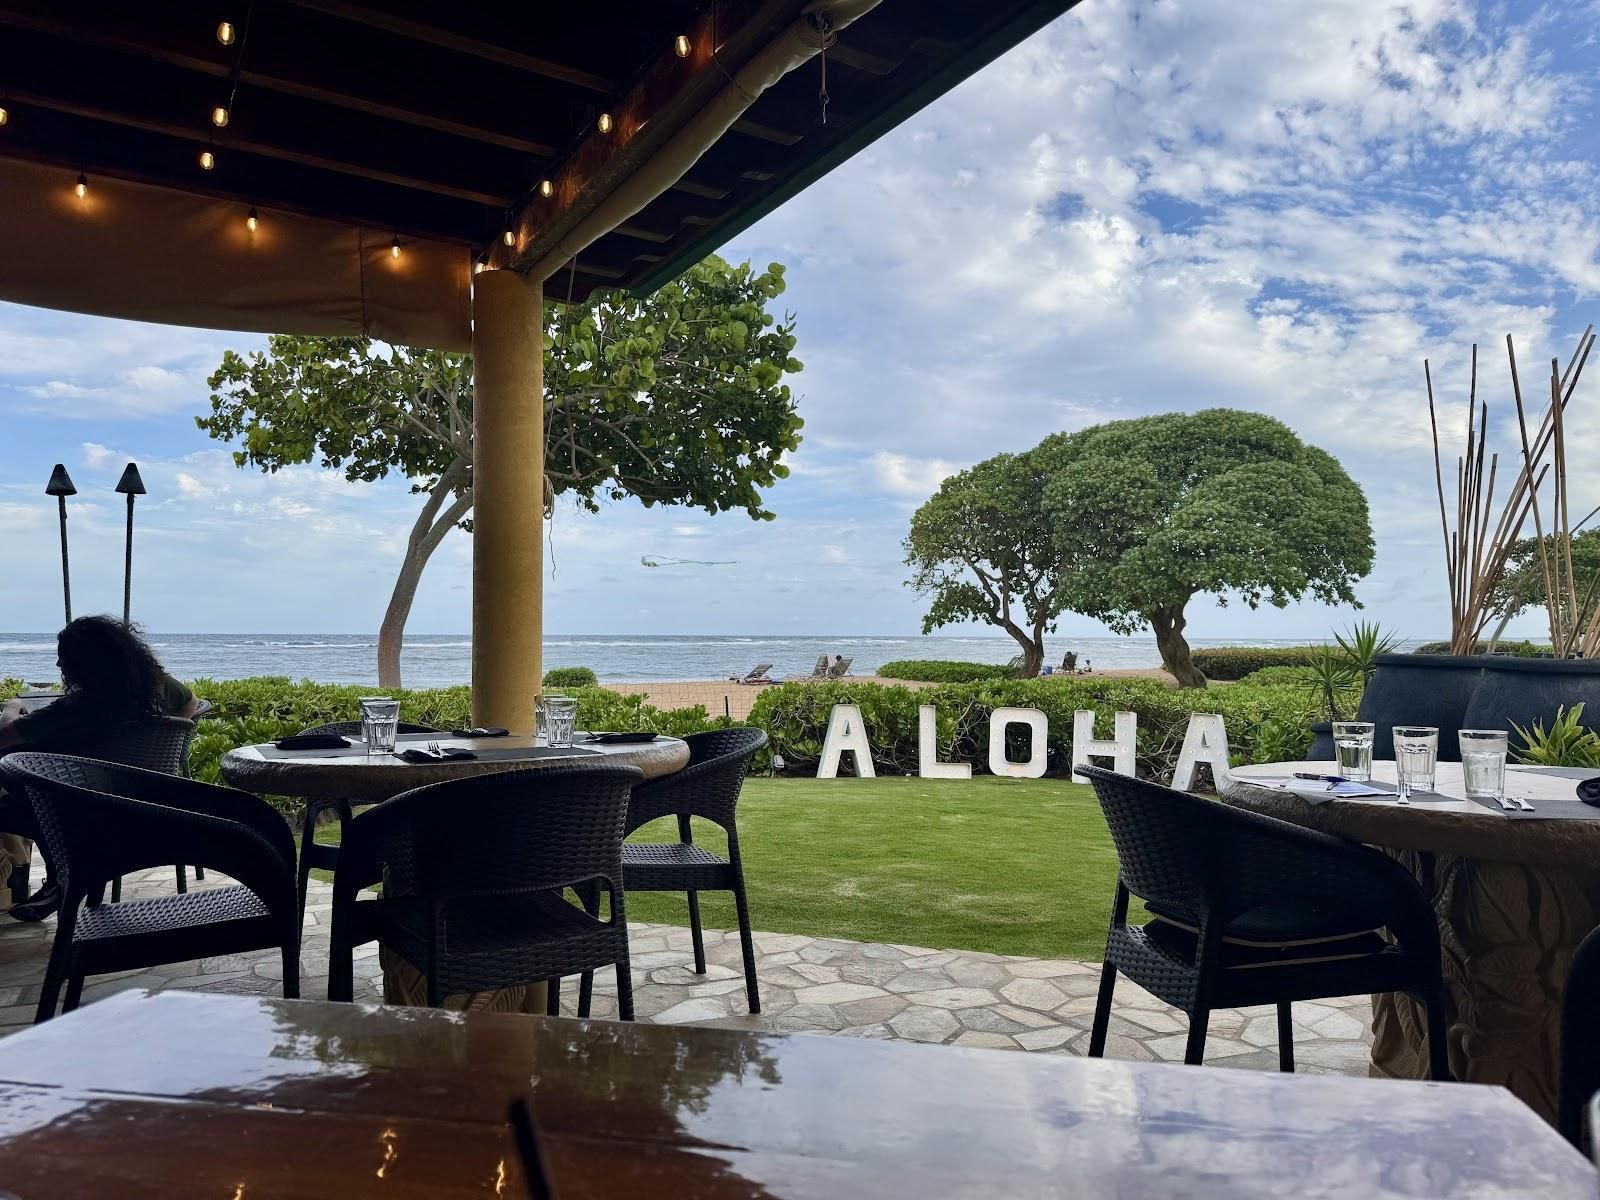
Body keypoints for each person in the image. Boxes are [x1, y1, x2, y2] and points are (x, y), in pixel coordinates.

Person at [0, 617, 201, 920]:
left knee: (18, 787)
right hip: (143, 800)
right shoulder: (159, 686)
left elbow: (4, 737)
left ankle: (61, 879)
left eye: (64, 656)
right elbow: (191, 705)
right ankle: (61, 880)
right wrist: (157, 734)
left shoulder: (76, 708)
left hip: (83, 807)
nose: (58, 663)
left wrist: (11, 708)